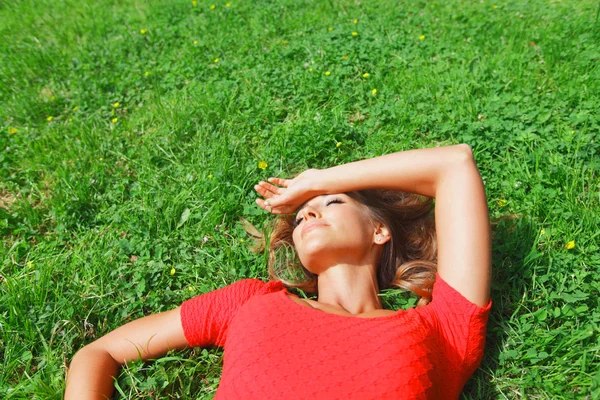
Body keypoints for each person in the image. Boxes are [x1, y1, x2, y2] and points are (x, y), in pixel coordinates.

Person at [65, 144, 492, 399]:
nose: (309, 215)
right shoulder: (251, 302)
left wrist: (317, 180)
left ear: (379, 229)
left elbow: (454, 165)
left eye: (333, 204)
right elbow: (99, 353)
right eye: (303, 214)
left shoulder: (442, 329)